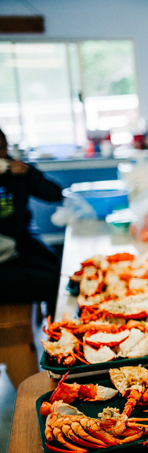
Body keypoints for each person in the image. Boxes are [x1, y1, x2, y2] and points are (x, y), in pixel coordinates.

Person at [0, 128, 63, 318]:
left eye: (2, 148)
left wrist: (28, 174)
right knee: (50, 281)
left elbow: (54, 193)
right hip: (4, 254)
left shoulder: (17, 170)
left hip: (20, 239)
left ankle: (55, 318)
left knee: (56, 267)